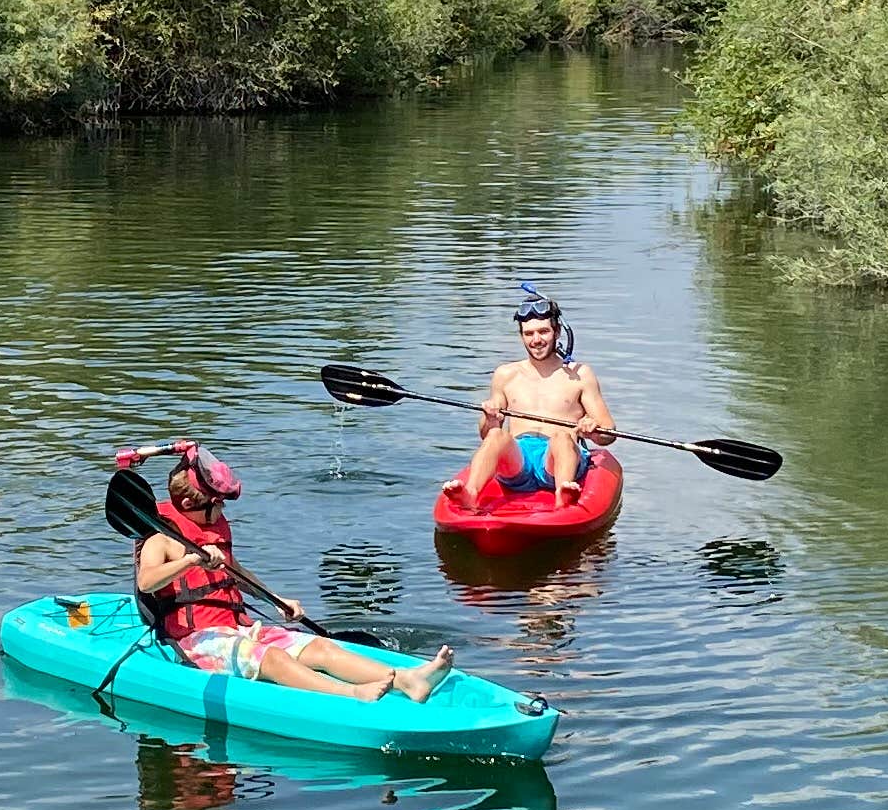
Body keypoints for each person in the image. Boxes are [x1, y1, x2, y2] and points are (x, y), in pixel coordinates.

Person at [128, 442, 453, 700]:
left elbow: (236, 573)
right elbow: (147, 580)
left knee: (321, 648)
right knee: (274, 660)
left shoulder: (211, 531)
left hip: (236, 627)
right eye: (217, 504)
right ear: (189, 507)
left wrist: (277, 601)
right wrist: (189, 560)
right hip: (196, 641)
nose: (222, 510)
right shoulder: (162, 537)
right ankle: (352, 693)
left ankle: (407, 680)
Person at [456, 285, 618, 504]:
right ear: (522, 336)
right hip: (519, 460)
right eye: (529, 334)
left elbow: (608, 433)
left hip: (558, 458)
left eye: (543, 332)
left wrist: (593, 430)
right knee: (496, 436)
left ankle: (564, 494)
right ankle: (470, 494)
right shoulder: (505, 374)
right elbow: (486, 435)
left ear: (557, 332)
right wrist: (490, 419)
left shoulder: (580, 374)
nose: (536, 340)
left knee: (561, 436)